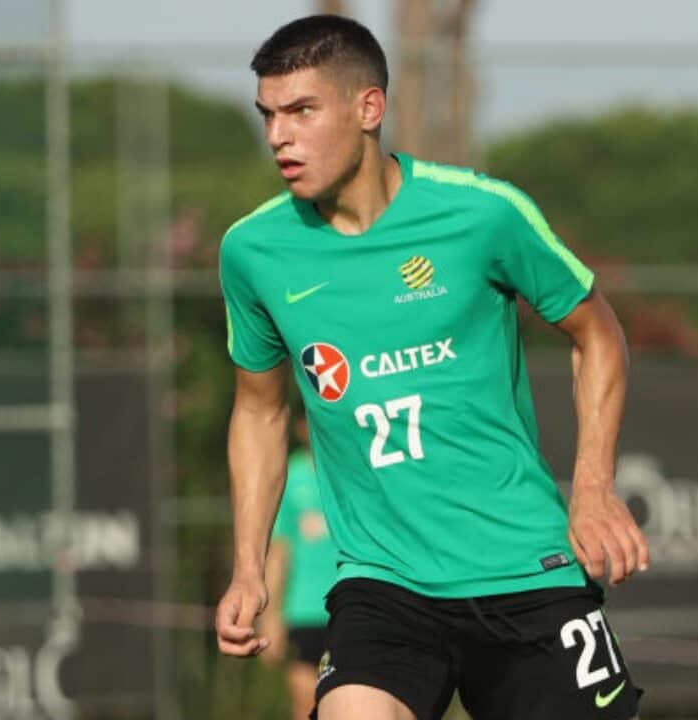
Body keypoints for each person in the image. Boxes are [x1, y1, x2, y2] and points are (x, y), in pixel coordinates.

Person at [215, 14, 646, 720]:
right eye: (267, 115)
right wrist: (248, 569)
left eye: (301, 111)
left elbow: (598, 334)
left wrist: (593, 487)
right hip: (384, 586)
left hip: (525, 571)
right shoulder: (254, 251)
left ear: (368, 108)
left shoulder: (483, 213)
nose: (277, 137)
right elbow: (260, 410)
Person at [259, 410, 337, 720]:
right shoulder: (291, 477)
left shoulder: (354, 469)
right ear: (301, 427)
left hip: (355, 605)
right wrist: (270, 615)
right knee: (306, 701)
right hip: (305, 609)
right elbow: (280, 549)